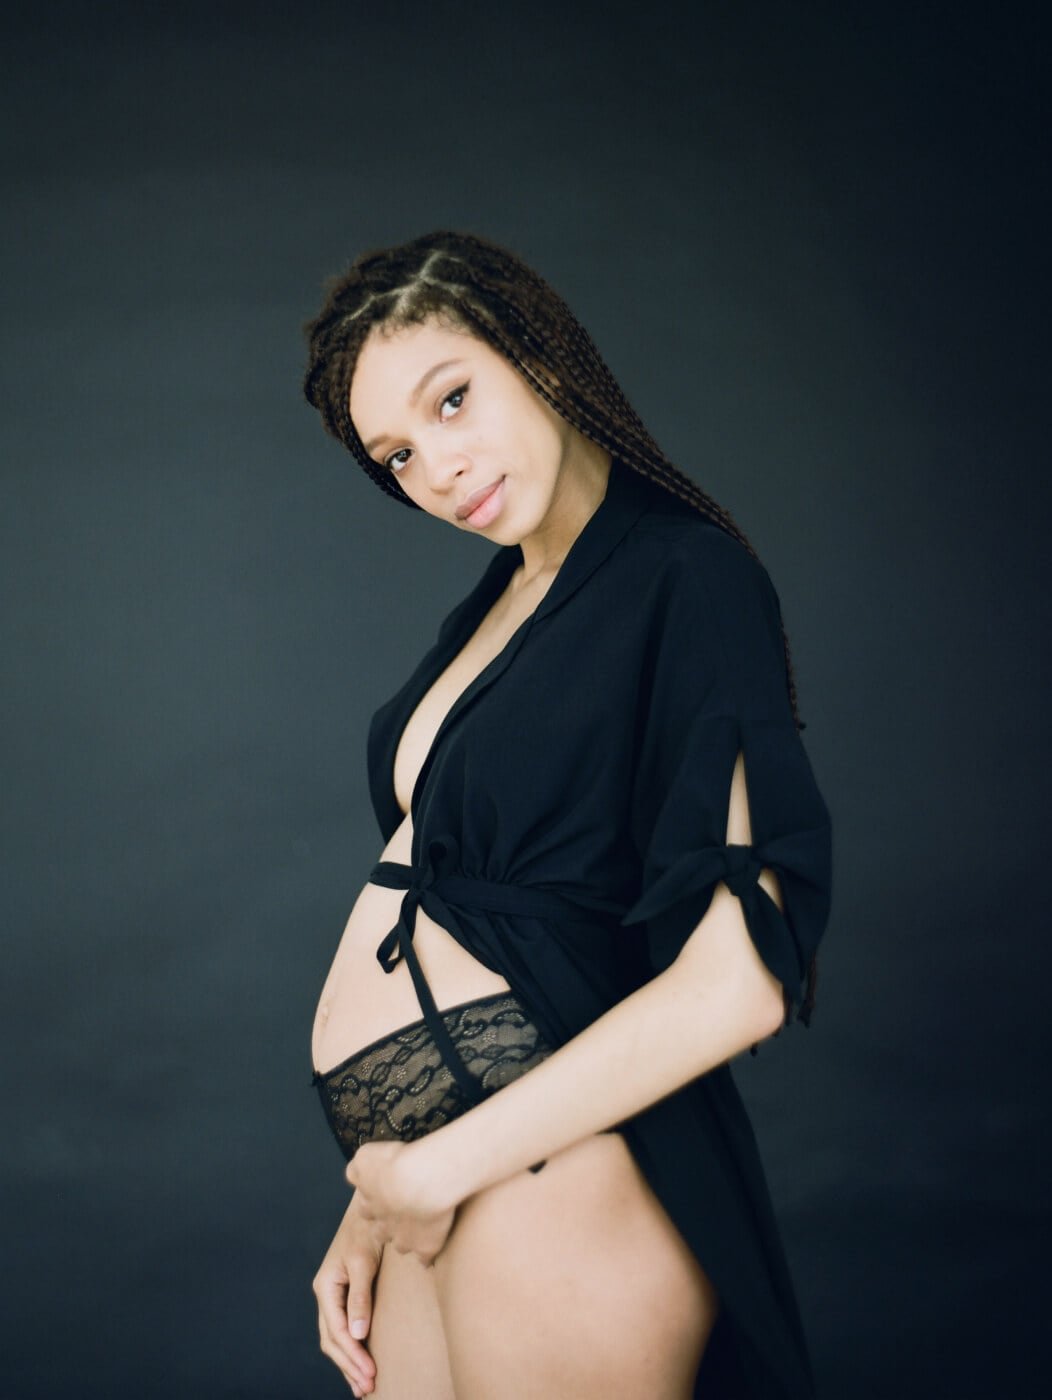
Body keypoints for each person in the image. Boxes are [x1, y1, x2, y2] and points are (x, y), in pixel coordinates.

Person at [301, 230, 833, 1399]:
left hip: (554, 1177)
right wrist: (376, 1198)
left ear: (534, 352)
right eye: (397, 454)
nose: (437, 469)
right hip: (435, 1182)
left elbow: (738, 983)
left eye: (451, 399)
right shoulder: (497, 601)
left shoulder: (686, 575)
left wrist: (436, 1167)